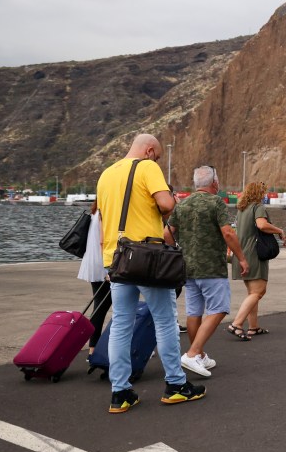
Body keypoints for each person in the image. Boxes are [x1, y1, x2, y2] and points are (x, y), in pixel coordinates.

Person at [95, 133, 206, 413]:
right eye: (156, 156)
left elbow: (102, 220)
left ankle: (120, 392)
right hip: (148, 259)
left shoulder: (106, 174)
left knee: (121, 324)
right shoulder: (147, 167)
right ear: (149, 150)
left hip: (117, 258)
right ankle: (176, 385)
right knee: (165, 321)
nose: (156, 160)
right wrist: (170, 201)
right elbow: (167, 206)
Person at [165, 165, 249, 376]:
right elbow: (228, 233)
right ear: (215, 183)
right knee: (219, 309)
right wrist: (242, 258)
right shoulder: (215, 202)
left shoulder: (182, 205)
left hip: (187, 267)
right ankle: (193, 354)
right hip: (211, 267)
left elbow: (167, 233)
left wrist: (176, 251)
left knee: (194, 312)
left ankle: (199, 355)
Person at [228, 181, 286, 339]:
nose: (265, 195)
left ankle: (253, 327)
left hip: (241, 253)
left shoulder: (242, 208)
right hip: (254, 254)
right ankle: (237, 324)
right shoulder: (257, 207)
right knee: (259, 291)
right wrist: (279, 230)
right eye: (264, 192)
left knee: (252, 292)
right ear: (259, 193)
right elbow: (261, 225)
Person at [77, 201, 112, 355]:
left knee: (99, 307)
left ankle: (93, 349)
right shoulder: (106, 211)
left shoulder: (95, 211)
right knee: (118, 307)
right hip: (103, 263)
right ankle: (99, 349)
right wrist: (109, 268)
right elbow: (103, 241)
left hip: (92, 262)